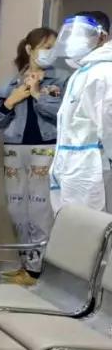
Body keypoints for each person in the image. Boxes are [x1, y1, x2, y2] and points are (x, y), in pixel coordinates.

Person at [0, 27, 64, 276]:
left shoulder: (61, 80)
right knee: (17, 209)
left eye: (53, 48)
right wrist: (12, 100)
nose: (50, 52)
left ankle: (41, 271)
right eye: (46, 47)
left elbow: (63, 115)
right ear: (30, 49)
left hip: (46, 148)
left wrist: (37, 94)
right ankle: (27, 267)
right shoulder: (10, 84)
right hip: (15, 150)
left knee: (41, 210)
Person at [51, 11, 112, 211]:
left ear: (102, 37)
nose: (73, 40)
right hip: (73, 169)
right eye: (71, 33)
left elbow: (109, 125)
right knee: (71, 223)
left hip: (93, 172)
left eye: (81, 33)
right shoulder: (82, 72)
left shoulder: (104, 73)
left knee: (93, 226)